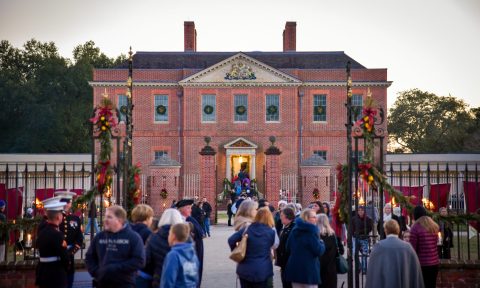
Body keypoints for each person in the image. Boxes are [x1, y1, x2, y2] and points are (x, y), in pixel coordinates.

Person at [85, 205, 145, 288]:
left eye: (109, 217)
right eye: (105, 216)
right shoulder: (99, 237)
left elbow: (139, 260)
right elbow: (89, 257)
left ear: (119, 220)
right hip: (102, 283)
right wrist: (97, 272)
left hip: (125, 283)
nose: (105, 220)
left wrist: (114, 269)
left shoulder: (133, 237)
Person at [365, 219, 424, 288]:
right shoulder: (408, 248)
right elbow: (414, 273)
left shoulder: (378, 247)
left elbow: (373, 274)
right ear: (398, 230)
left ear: (385, 230)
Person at [228, 207, 276, 288]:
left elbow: (231, 240)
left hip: (245, 269)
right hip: (263, 269)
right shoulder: (271, 232)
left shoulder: (247, 229)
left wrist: (237, 250)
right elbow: (272, 245)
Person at [285, 208, 326, 288]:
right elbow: (318, 250)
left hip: (295, 269)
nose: (316, 219)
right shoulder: (312, 231)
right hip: (309, 270)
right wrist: (321, 243)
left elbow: (287, 247)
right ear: (307, 218)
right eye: (313, 217)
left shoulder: (294, 230)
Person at [145, 208, 184, 288]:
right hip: (182, 280)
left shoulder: (154, 237)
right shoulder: (186, 238)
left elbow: (146, 260)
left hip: (160, 279)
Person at [35, 198, 69, 288]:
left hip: (42, 273)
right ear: (58, 217)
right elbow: (65, 258)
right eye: (61, 214)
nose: (62, 216)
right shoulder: (57, 235)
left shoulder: (42, 232)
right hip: (55, 276)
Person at [55, 191, 84, 288]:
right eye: (65, 201)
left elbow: (79, 239)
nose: (67, 204)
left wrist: (71, 252)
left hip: (69, 257)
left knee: (69, 282)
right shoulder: (55, 218)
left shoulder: (76, 219)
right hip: (56, 257)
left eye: (68, 202)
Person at [160, 223, 200, 288]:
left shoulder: (173, 255)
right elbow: (196, 278)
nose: (168, 236)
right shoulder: (193, 254)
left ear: (173, 236)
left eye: (169, 234)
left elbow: (168, 280)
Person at [409, 205, 440, 288]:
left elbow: (412, 249)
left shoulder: (415, 228)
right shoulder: (433, 226)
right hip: (434, 263)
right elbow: (436, 243)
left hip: (422, 264)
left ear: (415, 215)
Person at [177, 199, 205, 287]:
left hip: (196, 247)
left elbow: (200, 233)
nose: (191, 210)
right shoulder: (180, 220)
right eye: (188, 208)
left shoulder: (190, 219)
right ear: (182, 209)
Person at [130, 204, 154, 288]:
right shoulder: (148, 233)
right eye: (151, 217)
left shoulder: (128, 230)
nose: (152, 220)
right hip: (143, 274)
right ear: (147, 218)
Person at [317, 213, 342, 288]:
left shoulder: (316, 236)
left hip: (319, 269)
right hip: (331, 269)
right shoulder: (333, 235)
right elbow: (341, 251)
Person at [275, 207, 296, 288]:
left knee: (288, 283)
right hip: (284, 262)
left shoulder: (293, 228)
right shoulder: (286, 226)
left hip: (289, 261)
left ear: (288, 216)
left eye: (282, 215)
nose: (280, 217)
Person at [352, 206, 372, 274]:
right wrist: (354, 234)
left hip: (364, 238)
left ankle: (364, 269)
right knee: (355, 253)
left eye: (362, 210)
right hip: (356, 238)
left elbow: (369, 228)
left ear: (364, 211)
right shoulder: (354, 219)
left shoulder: (368, 219)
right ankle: (359, 267)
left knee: (364, 254)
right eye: (359, 210)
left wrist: (359, 232)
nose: (360, 211)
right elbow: (352, 229)